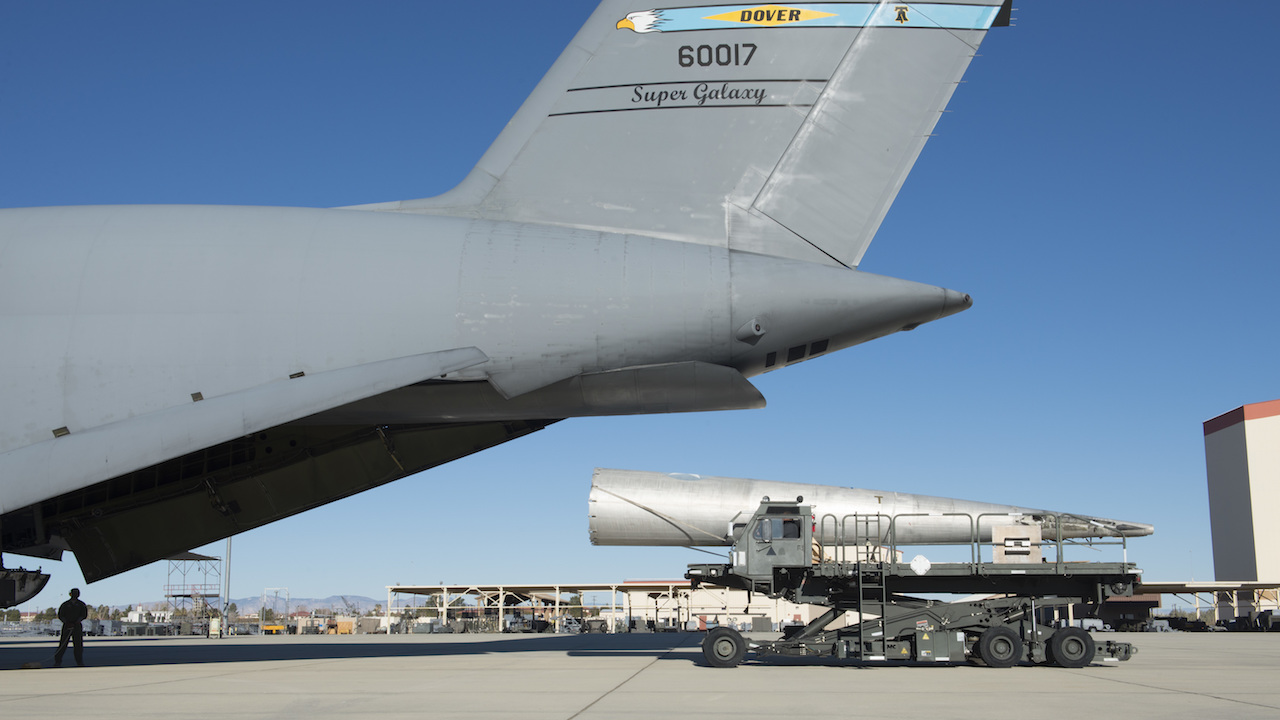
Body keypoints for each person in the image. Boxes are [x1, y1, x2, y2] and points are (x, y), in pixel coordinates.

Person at [53, 588, 88, 667]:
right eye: (74, 593)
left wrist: (77, 621)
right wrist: (66, 622)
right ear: (70, 594)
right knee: (63, 644)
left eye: (77, 593)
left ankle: (79, 662)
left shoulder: (81, 604)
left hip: (77, 626)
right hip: (67, 626)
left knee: (78, 645)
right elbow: (61, 615)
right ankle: (57, 661)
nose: (76, 595)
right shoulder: (65, 604)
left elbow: (84, 615)